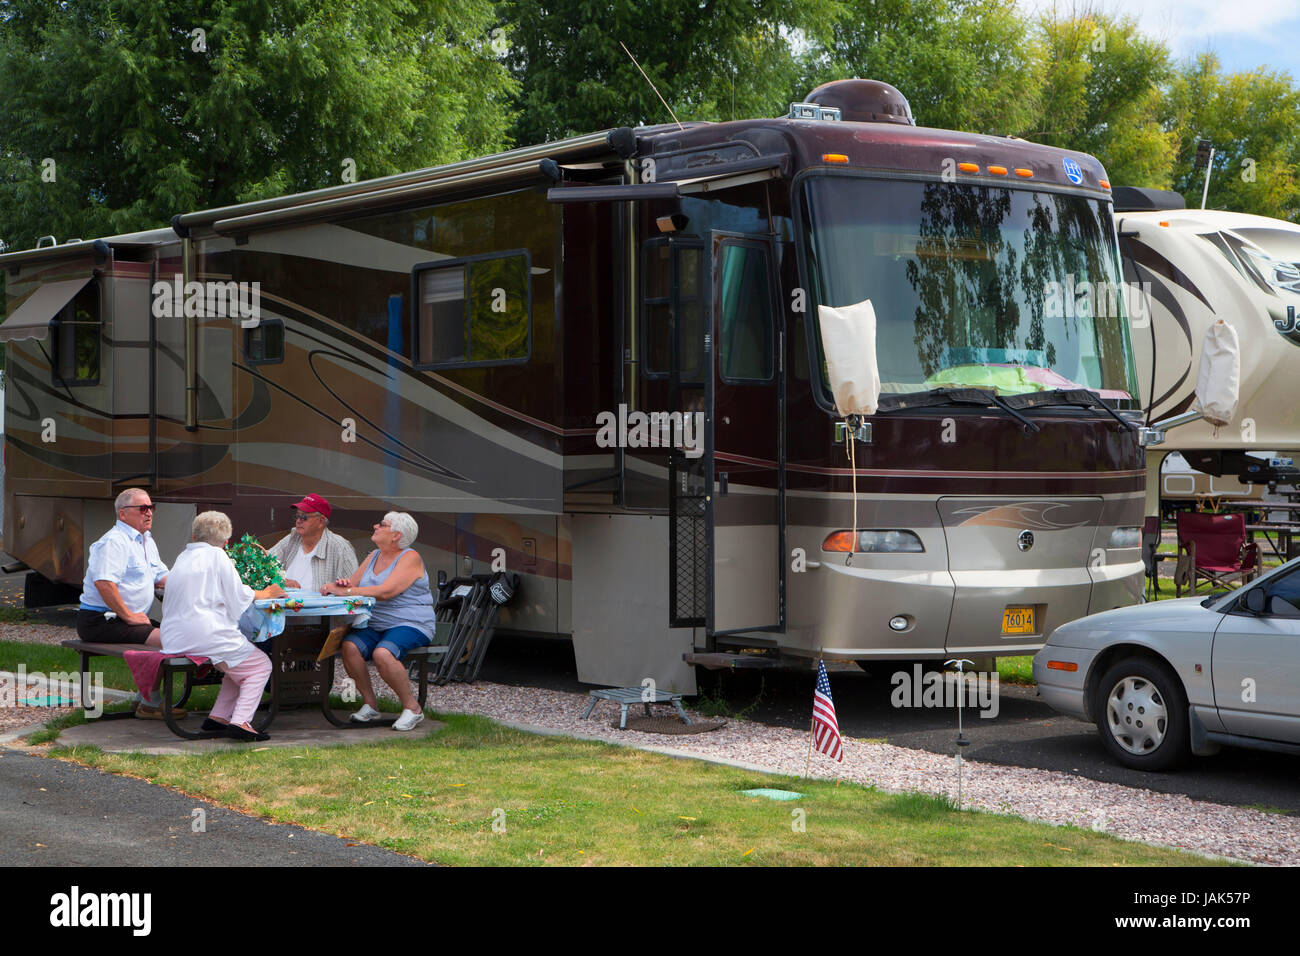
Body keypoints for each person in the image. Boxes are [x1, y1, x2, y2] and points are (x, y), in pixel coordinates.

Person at [161, 511, 286, 742]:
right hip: (205, 635)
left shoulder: (182, 557)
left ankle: (218, 718)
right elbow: (239, 596)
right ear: (226, 542)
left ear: (194, 535)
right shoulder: (218, 557)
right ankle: (241, 722)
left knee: (238, 666)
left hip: (173, 636)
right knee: (261, 665)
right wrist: (267, 593)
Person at [321, 512, 438, 731]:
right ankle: (371, 704)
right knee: (349, 647)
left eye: (382, 524)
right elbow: (352, 585)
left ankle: (412, 708)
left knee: (382, 653)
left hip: (411, 623)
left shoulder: (410, 557)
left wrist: (346, 591)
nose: (375, 525)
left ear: (396, 535)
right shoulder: (374, 555)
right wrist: (341, 586)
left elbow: (387, 591)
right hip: (377, 623)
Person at [76, 488, 173, 718]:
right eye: (142, 509)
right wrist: (129, 616)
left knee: (175, 633)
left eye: (151, 508)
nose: (149, 513)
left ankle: (143, 698)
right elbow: (104, 583)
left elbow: (162, 578)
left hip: (123, 618)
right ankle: (151, 702)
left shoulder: (146, 540)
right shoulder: (114, 542)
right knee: (167, 640)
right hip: (100, 620)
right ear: (123, 514)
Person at [268, 493, 358, 591]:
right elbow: (262, 565)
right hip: (282, 603)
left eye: (304, 517)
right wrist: (281, 581)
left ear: (321, 521)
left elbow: (352, 589)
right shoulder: (292, 538)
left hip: (320, 605)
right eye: (297, 516)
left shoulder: (341, 547)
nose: (298, 521)